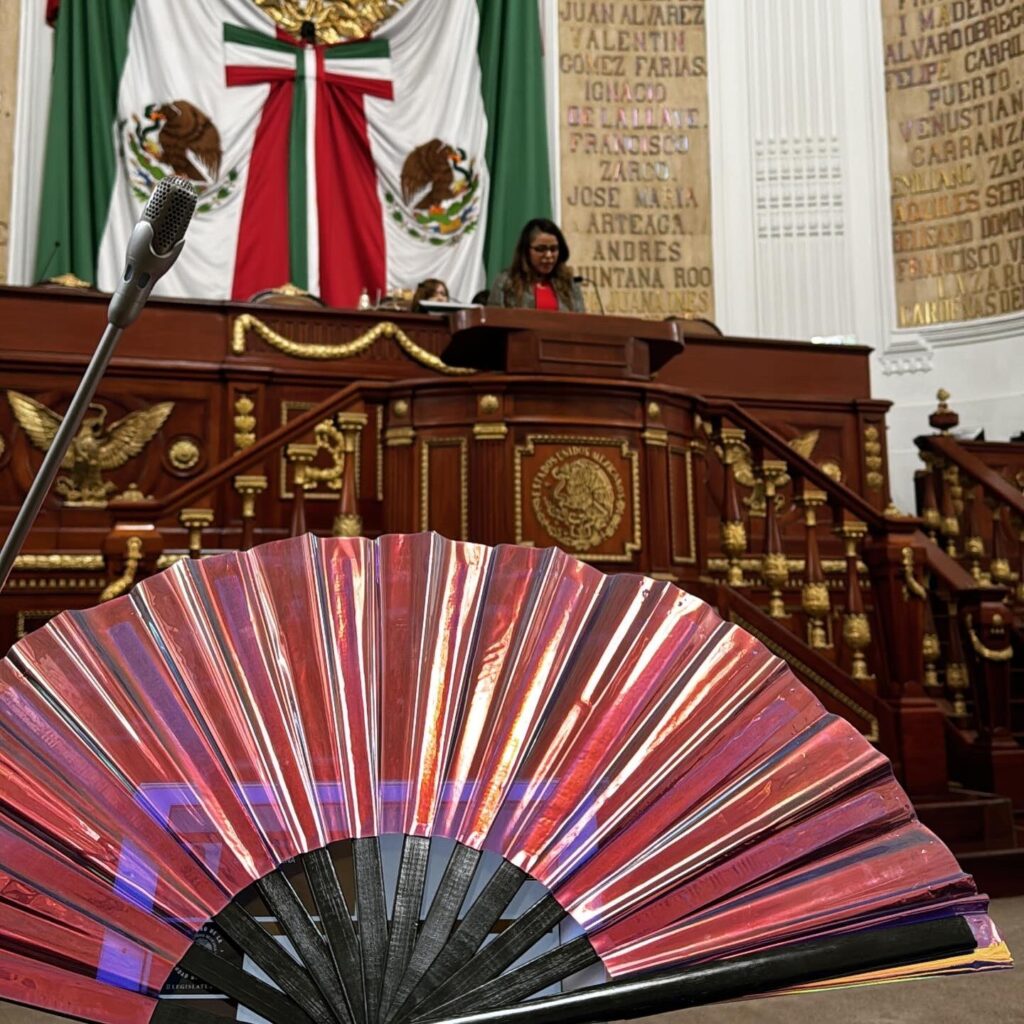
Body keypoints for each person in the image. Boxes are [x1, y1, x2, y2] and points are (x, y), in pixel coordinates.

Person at [488, 218, 585, 312]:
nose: (548, 255)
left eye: (553, 249)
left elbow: (580, 324)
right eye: (541, 249)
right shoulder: (506, 282)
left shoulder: (570, 285)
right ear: (526, 250)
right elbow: (492, 321)